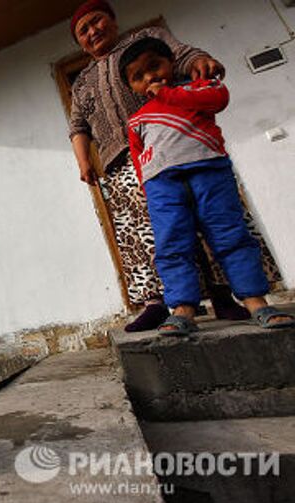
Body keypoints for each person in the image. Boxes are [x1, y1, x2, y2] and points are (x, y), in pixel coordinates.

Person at [67, 0, 281, 331]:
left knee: (214, 220)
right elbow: (78, 126)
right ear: (79, 41)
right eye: (83, 30)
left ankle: (224, 294)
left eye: (97, 21)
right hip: (126, 160)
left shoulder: (147, 39)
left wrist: (200, 61)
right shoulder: (81, 82)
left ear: (111, 19)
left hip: (185, 146)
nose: (93, 31)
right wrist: (84, 161)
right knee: (154, 233)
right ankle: (160, 302)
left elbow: (183, 55)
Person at [119, 37, 295, 334]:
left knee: (231, 235)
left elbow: (219, 100)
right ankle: (183, 310)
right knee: (172, 246)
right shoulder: (136, 119)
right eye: (139, 76)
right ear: (133, 87)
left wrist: (168, 95)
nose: (150, 77)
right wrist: (145, 185)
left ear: (171, 63)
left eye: (154, 66)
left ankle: (256, 302)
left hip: (210, 174)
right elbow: (139, 155)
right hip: (162, 186)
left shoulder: (199, 88)